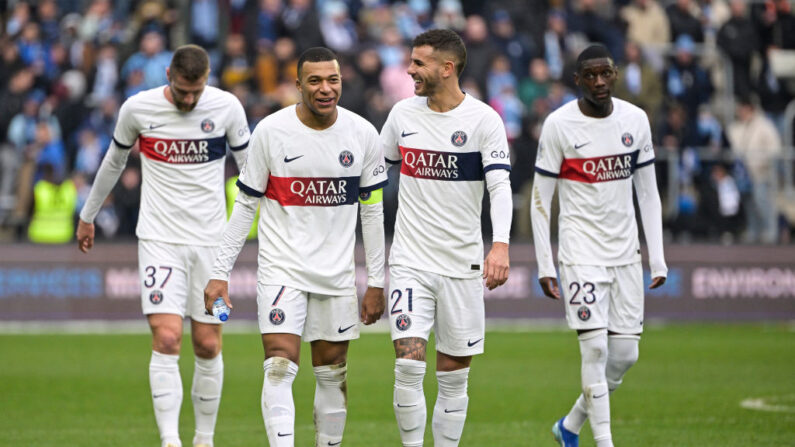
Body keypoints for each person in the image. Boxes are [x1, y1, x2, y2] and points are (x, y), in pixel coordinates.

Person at [203, 47, 388, 447]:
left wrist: (376, 280)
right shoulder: (270, 132)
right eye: (316, 81)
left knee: (332, 371)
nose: (326, 89)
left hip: (336, 273)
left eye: (333, 80)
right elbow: (245, 206)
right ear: (299, 85)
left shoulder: (363, 134)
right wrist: (219, 273)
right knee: (279, 365)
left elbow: (372, 213)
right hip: (281, 268)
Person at [76, 44, 250, 447]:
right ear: (168, 73)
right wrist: (87, 215)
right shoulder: (138, 109)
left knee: (208, 343)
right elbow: (113, 162)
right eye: (182, 90)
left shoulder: (227, 108)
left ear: (207, 80)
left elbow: (251, 169)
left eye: (197, 91)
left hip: (213, 245)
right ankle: (170, 441)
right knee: (168, 338)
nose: (189, 100)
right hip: (159, 240)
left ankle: (204, 439)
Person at [379, 29, 512, 447]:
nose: (410, 69)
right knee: (408, 365)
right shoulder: (402, 115)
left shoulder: (484, 120)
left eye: (419, 63)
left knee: (454, 376)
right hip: (410, 262)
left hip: (462, 265)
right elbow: (374, 175)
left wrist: (502, 244)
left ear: (447, 68)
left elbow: (500, 187)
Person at [530, 44, 667, 447]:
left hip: (626, 255)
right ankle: (604, 442)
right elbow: (541, 199)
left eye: (605, 73)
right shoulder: (559, 125)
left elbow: (648, 194)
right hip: (581, 254)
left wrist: (656, 258)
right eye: (590, 75)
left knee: (624, 356)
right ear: (577, 80)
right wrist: (545, 264)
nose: (599, 82)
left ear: (616, 74)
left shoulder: (635, 120)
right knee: (595, 353)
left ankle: (569, 426)